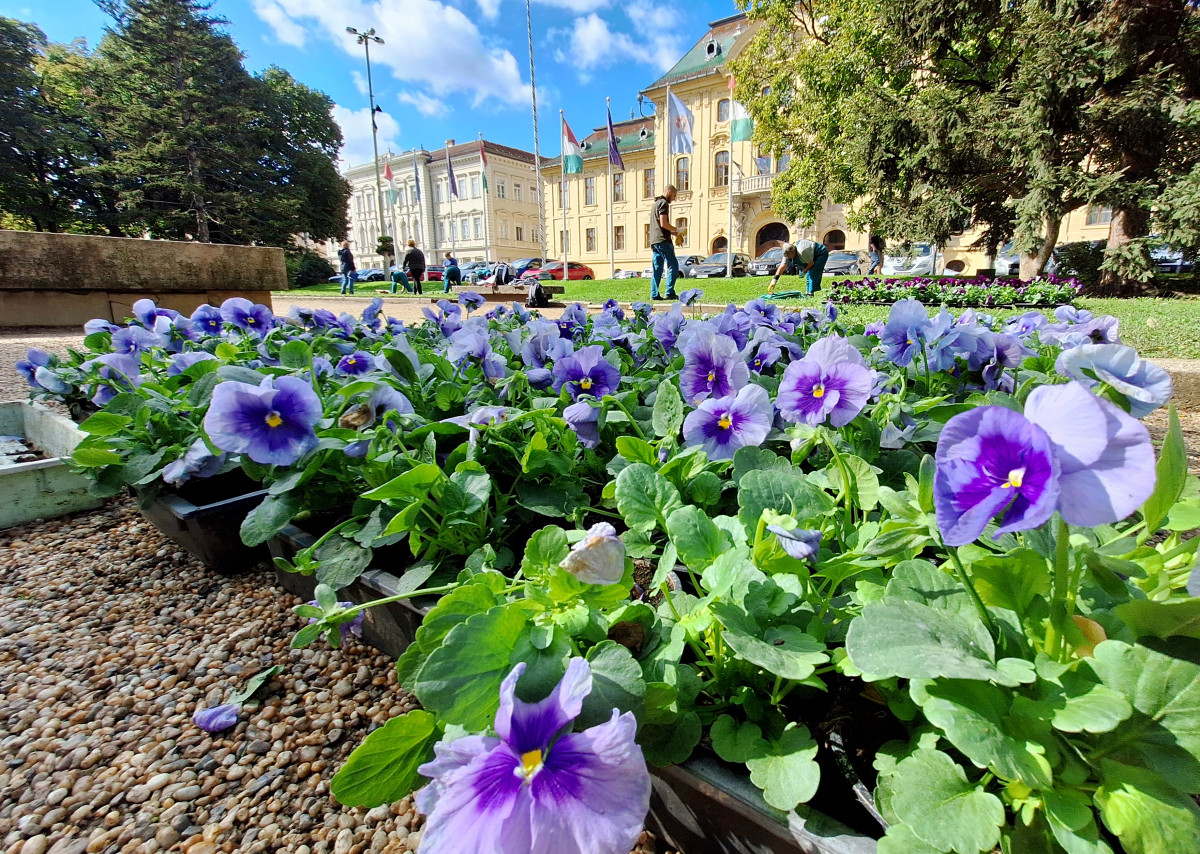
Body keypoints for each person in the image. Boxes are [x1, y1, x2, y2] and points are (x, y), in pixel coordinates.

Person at [649, 185, 681, 301]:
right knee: (673, 265)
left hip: (654, 241)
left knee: (657, 268)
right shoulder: (664, 204)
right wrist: (676, 230)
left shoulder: (656, 204)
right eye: (674, 195)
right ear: (669, 192)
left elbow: (659, 225)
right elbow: (663, 223)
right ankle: (670, 292)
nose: (674, 198)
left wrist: (673, 233)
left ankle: (654, 294)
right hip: (663, 241)